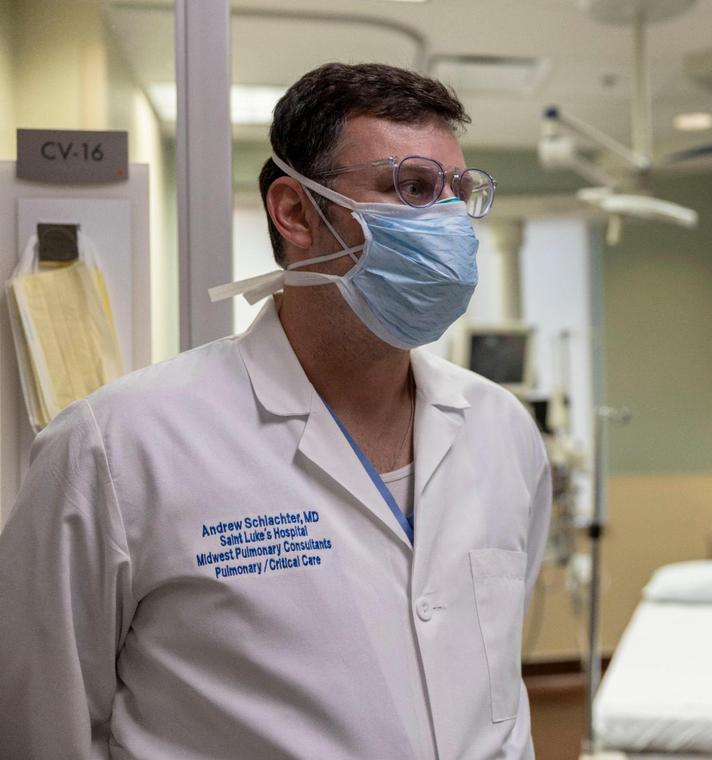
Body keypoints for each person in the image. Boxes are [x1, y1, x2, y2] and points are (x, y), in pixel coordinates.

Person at [0, 62, 551, 760]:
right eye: (410, 188)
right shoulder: (118, 447)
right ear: (295, 212)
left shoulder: (503, 432)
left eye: (457, 193)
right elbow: (38, 726)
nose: (446, 222)